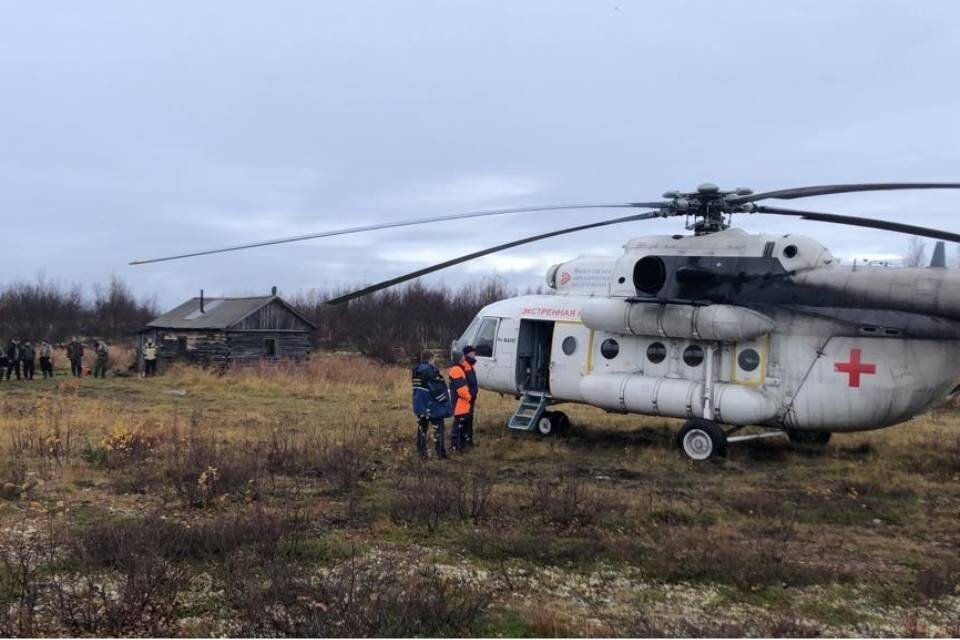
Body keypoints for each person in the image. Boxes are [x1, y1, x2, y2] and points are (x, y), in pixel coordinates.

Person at [411, 350, 451, 459]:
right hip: (432, 405)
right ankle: (440, 453)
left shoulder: (416, 370)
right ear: (430, 359)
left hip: (419, 403)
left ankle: (421, 452)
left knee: (422, 428)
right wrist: (444, 400)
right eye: (433, 359)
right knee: (439, 427)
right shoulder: (430, 370)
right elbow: (435, 388)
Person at [448, 345, 478, 452]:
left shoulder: (462, 367)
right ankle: (456, 446)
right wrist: (469, 396)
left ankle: (461, 444)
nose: (463, 359)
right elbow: (461, 388)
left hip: (464, 402)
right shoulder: (457, 369)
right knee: (459, 424)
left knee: (463, 423)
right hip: (461, 402)